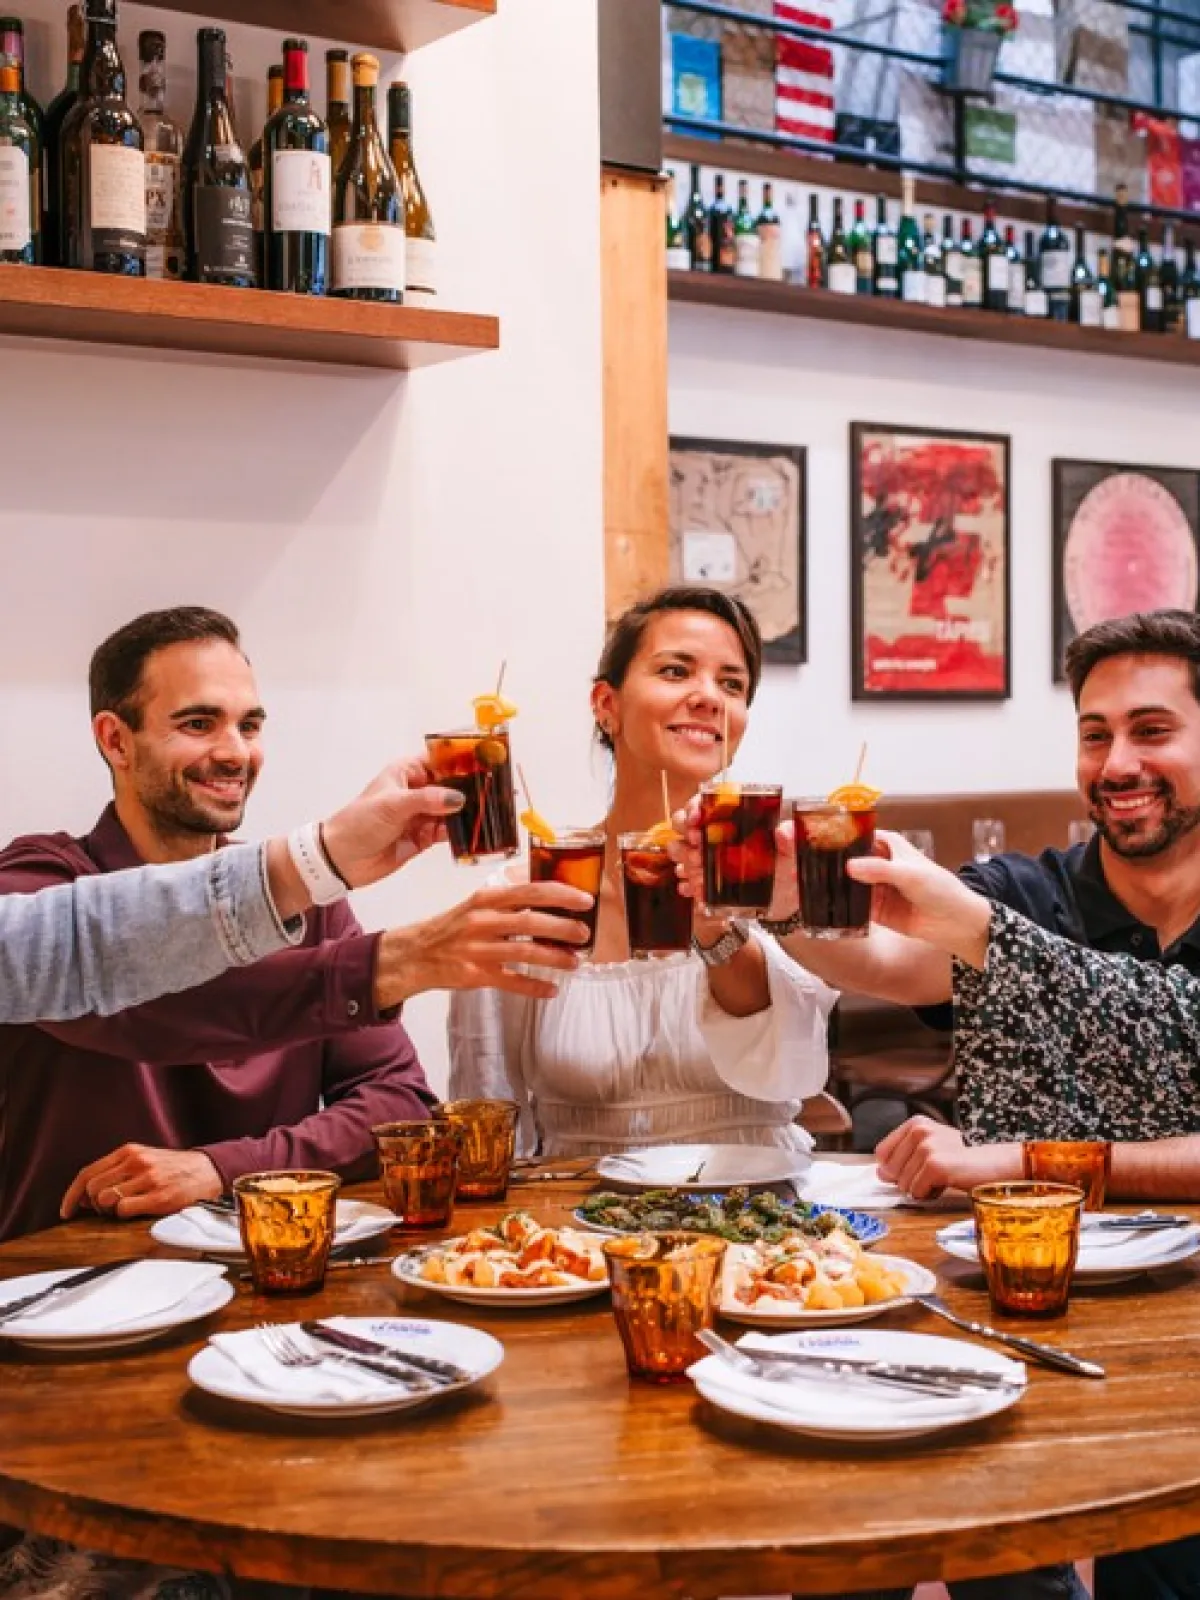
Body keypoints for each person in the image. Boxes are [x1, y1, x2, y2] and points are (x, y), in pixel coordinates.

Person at [0, 608, 591, 1240]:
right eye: (198, 723)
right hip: (68, 1292)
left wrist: (218, 1167)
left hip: (276, 1276)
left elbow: (398, 1106)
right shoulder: (36, 885)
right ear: (115, 739)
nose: (234, 752)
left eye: (248, 724)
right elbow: (161, 999)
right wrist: (393, 954)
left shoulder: (310, 901)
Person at [758, 609, 1200, 1202]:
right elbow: (888, 961)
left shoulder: (991, 919)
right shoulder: (1020, 893)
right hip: (1029, 1268)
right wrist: (785, 903)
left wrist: (1027, 1160)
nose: (1116, 764)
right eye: (1096, 735)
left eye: (1150, 731)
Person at [448, 585, 833, 1156]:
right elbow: (484, 1116)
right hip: (576, 1224)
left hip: (759, 1217)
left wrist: (719, 930)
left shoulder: (777, 880)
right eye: (676, 671)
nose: (709, 697)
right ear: (607, 705)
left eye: (732, 684)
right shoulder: (526, 898)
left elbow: (799, 1072)